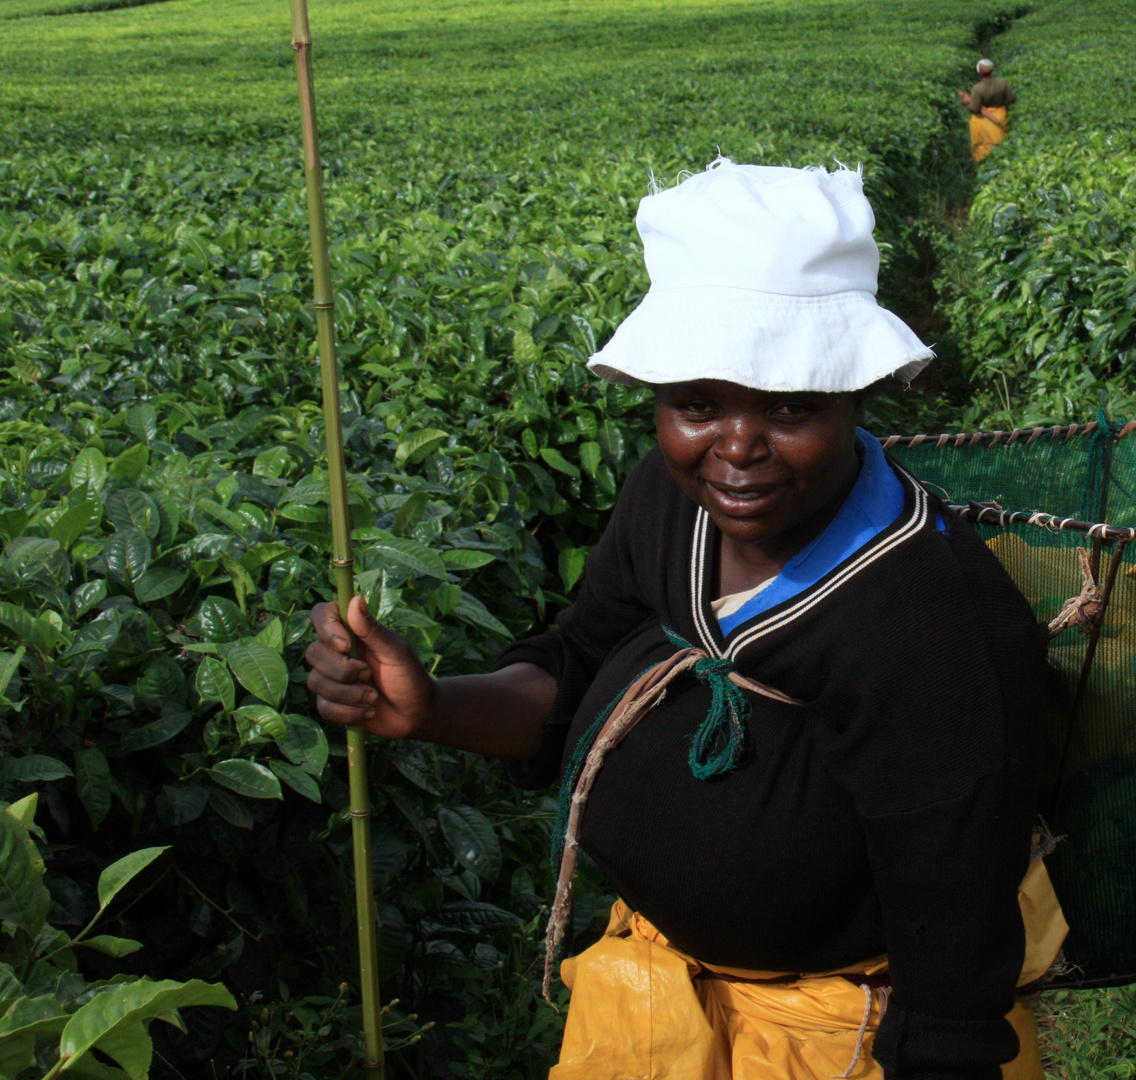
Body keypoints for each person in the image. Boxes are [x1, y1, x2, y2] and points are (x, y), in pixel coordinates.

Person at [304, 159, 1066, 1080]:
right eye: (697, 404)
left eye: (791, 406)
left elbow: (953, 941)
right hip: (658, 1000)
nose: (737, 448)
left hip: (837, 1039)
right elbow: (581, 664)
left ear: (855, 398)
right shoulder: (670, 507)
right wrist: (429, 706)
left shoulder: (928, 626)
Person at [960, 58, 1017, 163]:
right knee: (1002, 143)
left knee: (984, 148)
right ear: (992, 70)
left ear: (979, 72)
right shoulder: (1003, 83)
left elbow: (975, 109)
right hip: (1000, 117)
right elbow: (1011, 100)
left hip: (984, 122)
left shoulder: (977, 88)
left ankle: (984, 165)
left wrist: (967, 104)